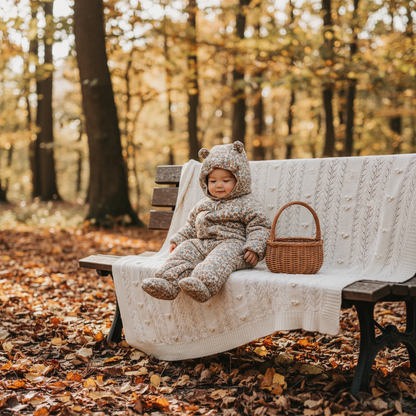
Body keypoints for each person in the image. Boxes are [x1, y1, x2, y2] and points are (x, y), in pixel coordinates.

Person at [141, 141, 271, 302]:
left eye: (226, 180)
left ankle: (203, 284)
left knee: (221, 256)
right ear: (205, 181)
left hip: (234, 245)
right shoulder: (203, 204)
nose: (219, 186)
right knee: (186, 248)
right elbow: (190, 226)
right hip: (204, 244)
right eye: (213, 181)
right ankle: (167, 282)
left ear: (240, 179)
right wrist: (178, 240)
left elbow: (260, 225)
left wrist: (254, 248)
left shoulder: (246, 203)